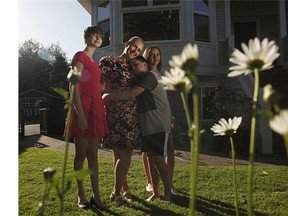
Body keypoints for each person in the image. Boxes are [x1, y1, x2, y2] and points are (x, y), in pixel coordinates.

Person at [103, 56, 172, 202]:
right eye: (132, 67)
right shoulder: (142, 79)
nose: (134, 68)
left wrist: (109, 96)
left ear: (145, 64)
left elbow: (132, 93)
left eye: (137, 65)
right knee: (153, 160)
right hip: (147, 126)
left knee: (158, 160)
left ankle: (168, 192)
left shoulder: (151, 76)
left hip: (157, 125)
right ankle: (156, 192)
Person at [66, 26, 109, 210]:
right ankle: (81, 195)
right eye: (95, 35)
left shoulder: (95, 62)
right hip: (83, 110)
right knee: (81, 154)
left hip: (96, 110)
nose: (99, 38)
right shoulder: (80, 56)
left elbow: (94, 87)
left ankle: (96, 197)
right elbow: (73, 86)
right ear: (87, 37)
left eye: (101, 36)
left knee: (94, 155)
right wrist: (80, 114)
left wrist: (103, 85)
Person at [99, 36, 144, 205]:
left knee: (123, 154)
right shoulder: (108, 61)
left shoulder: (135, 67)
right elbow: (100, 86)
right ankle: (117, 192)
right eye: (134, 47)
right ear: (127, 44)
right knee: (120, 154)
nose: (136, 51)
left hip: (131, 114)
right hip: (114, 113)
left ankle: (123, 189)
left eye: (139, 50)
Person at [142, 45, 179, 195]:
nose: (155, 57)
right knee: (151, 152)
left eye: (157, 54)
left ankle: (169, 182)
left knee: (170, 149)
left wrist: (170, 115)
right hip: (153, 118)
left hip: (165, 115)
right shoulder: (147, 74)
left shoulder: (160, 74)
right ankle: (151, 183)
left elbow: (164, 98)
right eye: (151, 54)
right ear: (147, 56)